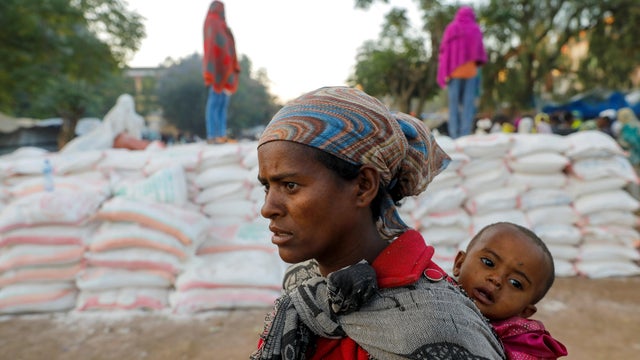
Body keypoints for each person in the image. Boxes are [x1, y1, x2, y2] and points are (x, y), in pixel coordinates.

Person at [251, 86, 505, 359]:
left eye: (290, 185)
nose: (268, 209)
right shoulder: (305, 286)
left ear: (363, 186)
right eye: (267, 187)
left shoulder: (438, 325)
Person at [453, 222, 568, 360]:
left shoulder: (523, 348)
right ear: (459, 263)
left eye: (515, 283)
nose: (496, 279)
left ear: (525, 311)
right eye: (488, 262)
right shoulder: (431, 294)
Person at [437, 6, 487, 139]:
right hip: (470, 72)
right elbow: (479, 51)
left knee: (453, 105)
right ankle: (464, 134)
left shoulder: (452, 28)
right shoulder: (475, 28)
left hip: (454, 72)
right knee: (468, 104)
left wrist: (445, 69)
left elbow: (444, 50)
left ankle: (454, 134)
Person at [202, 0, 240, 144]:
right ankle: (212, 135)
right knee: (214, 101)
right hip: (217, 67)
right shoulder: (211, 21)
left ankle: (221, 134)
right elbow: (212, 45)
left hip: (226, 68)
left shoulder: (223, 25)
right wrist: (214, 68)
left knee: (223, 102)